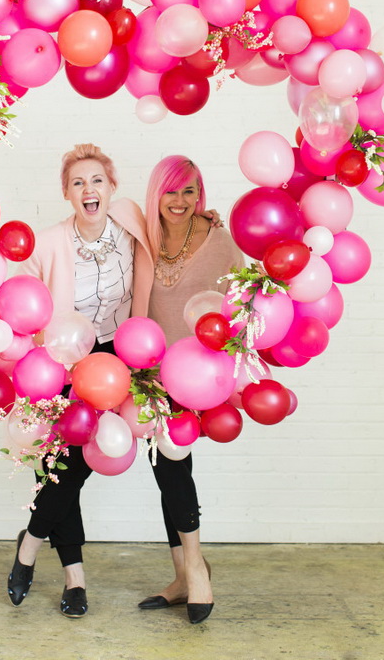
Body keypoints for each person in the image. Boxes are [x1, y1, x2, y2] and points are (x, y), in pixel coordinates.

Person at [7, 143, 154, 617]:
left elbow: (174, 229)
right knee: (62, 464)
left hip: (117, 356)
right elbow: (19, 295)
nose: (88, 190)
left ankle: (28, 543)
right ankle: (74, 578)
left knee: (80, 463)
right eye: (77, 183)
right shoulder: (50, 241)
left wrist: (208, 218)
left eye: (96, 181)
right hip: (65, 360)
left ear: (112, 187)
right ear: (67, 194)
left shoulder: (132, 222)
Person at [137, 155, 243, 624]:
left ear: (201, 194)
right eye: (171, 191)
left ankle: (196, 571)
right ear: (155, 192)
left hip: (199, 377)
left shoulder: (219, 240)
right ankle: (183, 575)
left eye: (190, 191)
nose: (179, 202)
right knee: (166, 469)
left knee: (174, 468)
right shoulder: (142, 238)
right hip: (151, 374)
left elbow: (240, 303)